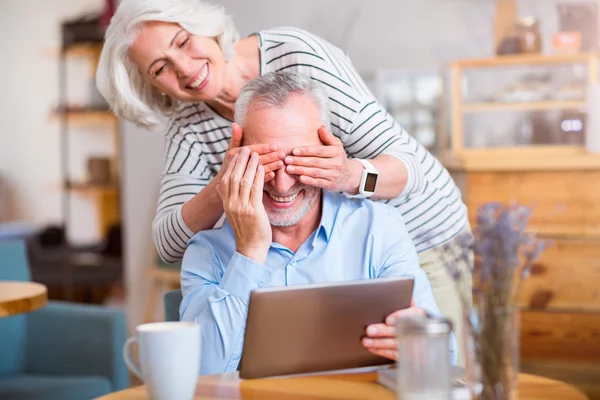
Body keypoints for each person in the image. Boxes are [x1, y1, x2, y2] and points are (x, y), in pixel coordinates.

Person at [96, 0, 472, 365]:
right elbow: (169, 240)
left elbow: (413, 168)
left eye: (182, 42)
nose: (183, 67)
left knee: (429, 367)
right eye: (159, 67)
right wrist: (228, 182)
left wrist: (347, 174)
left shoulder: (299, 57)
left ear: (205, 26)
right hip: (303, 243)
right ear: (151, 85)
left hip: (420, 234)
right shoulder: (188, 129)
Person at [179, 71, 453, 374]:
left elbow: (446, 356)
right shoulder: (207, 250)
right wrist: (250, 251)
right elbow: (199, 372)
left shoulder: (378, 228)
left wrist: (418, 346)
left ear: (325, 150)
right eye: (267, 164)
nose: (282, 185)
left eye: (299, 161)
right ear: (237, 157)